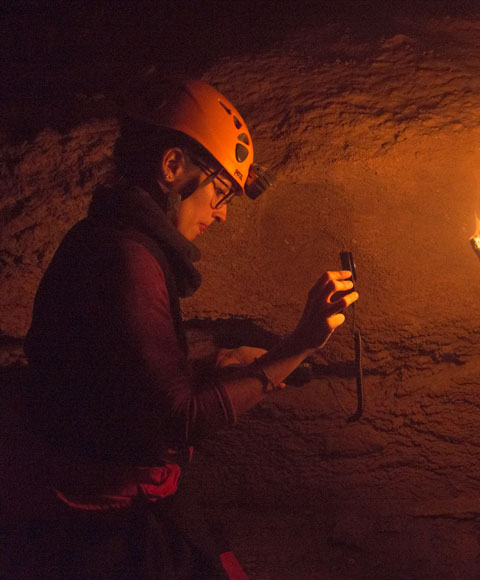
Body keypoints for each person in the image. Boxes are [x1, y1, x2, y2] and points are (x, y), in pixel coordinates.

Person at [0, 79, 358, 579]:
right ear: (172, 166)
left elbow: (115, 383)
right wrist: (299, 344)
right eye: (220, 190)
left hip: (92, 505)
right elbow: (178, 417)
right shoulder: (128, 261)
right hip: (102, 525)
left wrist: (212, 367)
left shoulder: (106, 239)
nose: (223, 212)